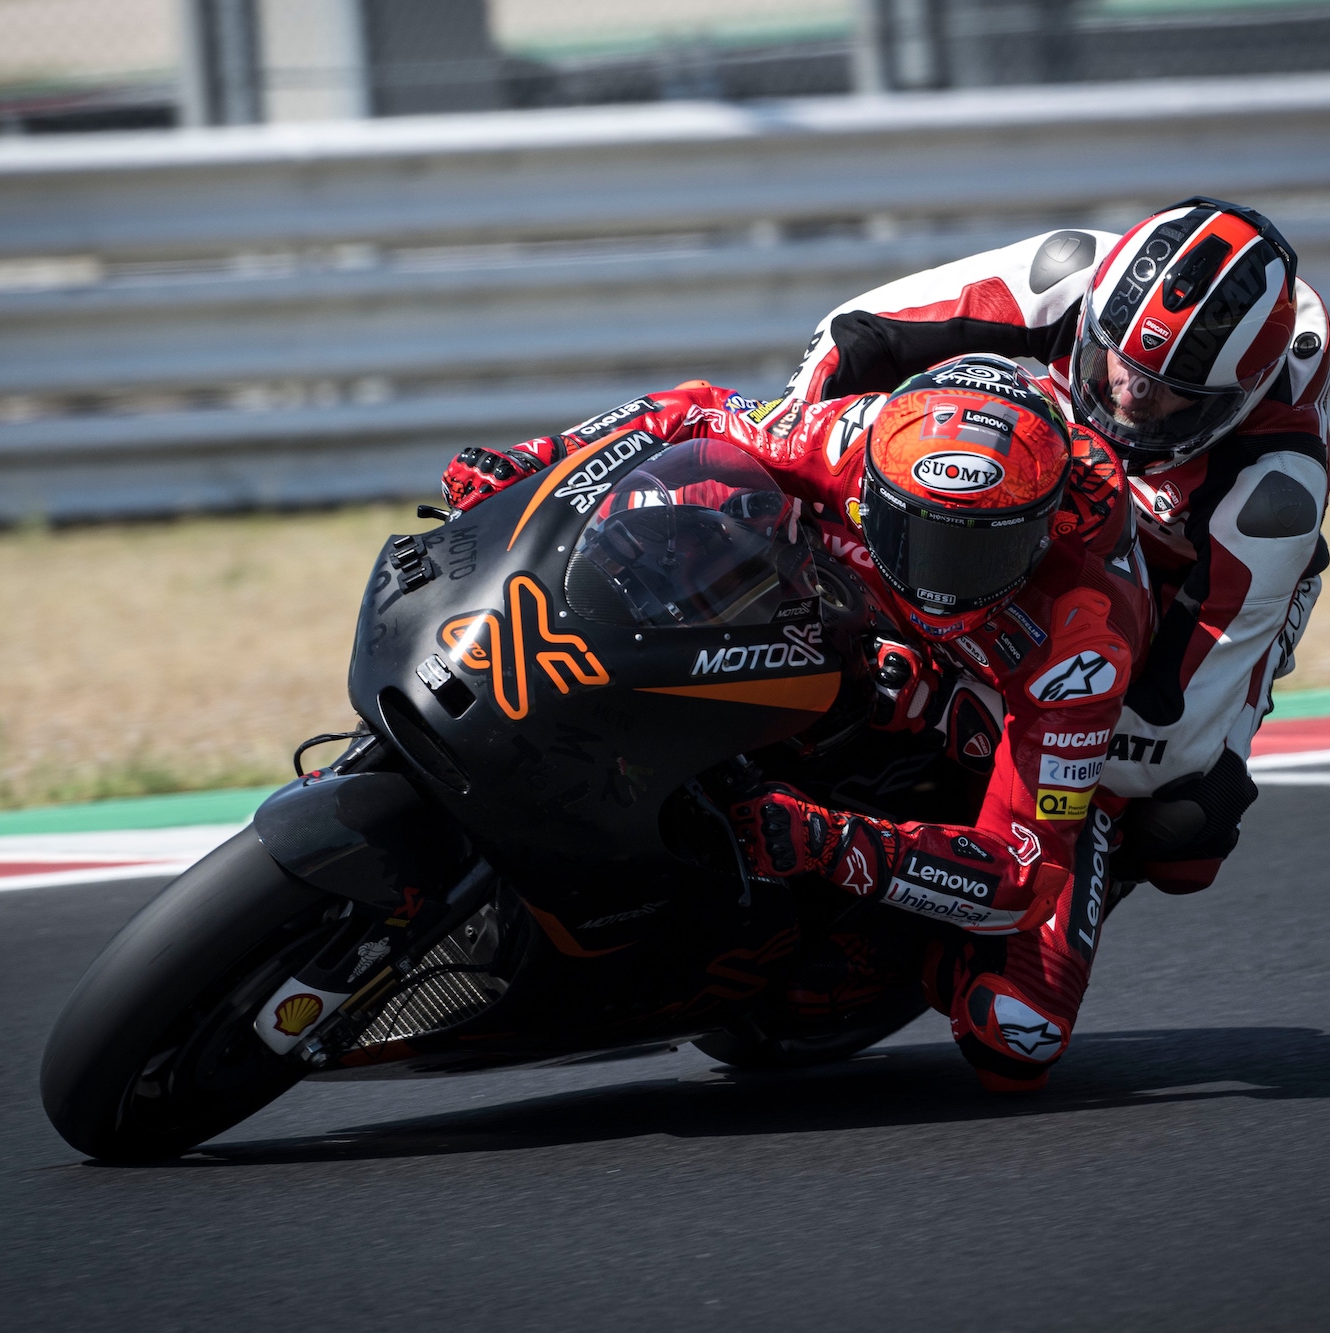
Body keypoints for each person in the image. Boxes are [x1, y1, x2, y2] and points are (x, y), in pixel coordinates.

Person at [444, 355, 1152, 1090]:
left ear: (1037, 533)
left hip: (993, 752)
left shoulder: (1084, 639)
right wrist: (536, 458)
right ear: (876, 482)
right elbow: (698, 412)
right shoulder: (847, 436)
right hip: (837, 625)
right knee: (696, 489)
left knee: (1018, 1034)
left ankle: (900, 909)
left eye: (978, 549)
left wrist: (834, 844)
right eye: (917, 532)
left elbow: (1024, 874)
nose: (939, 574)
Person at [757, 197, 1330, 897]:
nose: (1126, 394)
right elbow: (851, 336)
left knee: (1184, 825)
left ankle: (1027, 879)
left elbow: (1166, 734)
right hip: (1008, 490)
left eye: (1165, 392)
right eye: (1112, 359)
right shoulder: (1060, 274)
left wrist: (954, 702)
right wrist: (789, 461)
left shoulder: (1274, 489)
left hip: (1162, 577)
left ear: (1237, 398)